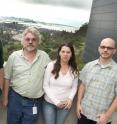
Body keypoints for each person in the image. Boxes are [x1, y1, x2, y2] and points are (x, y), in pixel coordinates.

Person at [3, 27, 50, 124]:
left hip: (34, 103)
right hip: (15, 99)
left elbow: (53, 73)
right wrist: (5, 98)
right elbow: (7, 78)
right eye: (27, 39)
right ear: (23, 41)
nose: (30, 42)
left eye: (34, 39)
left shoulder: (44, 57)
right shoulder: (14, 56)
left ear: (38, 42)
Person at [77, 38, 117, 124]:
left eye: (109, 48)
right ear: (99, 48)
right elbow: (83, 85)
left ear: (114, 51)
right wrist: (78, 104)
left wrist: (107, 116)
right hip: (83, 113)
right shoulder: (89, 66)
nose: (105, 50)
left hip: (102, 119)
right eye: (103, 47)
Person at [43, 43, 79, 124]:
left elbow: (74, 87)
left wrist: (70, 99)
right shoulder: (51, 65)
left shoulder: (74, 69)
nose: (65, 54)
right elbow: (45, 86)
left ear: (71, 54)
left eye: (68, 52)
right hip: (49, 103)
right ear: (59, 53)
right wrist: (56, 102)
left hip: (65, 104)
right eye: (63, 51)